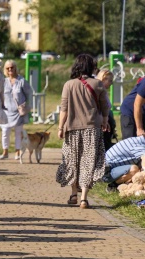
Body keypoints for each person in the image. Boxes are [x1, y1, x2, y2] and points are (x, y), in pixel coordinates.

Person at [56, 54, 110, 209]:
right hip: (92, 129)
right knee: (88, 162)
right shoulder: (98, 84)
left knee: (72, 162)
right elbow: (105, 106)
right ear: (90, 67)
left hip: (71, 129)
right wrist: (105, 120)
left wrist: (60, 127)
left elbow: (64, 109)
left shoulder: (69, 84)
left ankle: (73, 194)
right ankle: (84, 199)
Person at [0, 60, 33, 160]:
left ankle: (17, 152)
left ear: (15, 68)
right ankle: (5, 152)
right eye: (8, 68)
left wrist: (27, 105)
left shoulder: (21, 80)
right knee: (5, 131)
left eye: (12, 67)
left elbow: (29, 94)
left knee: (18, 132)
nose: (10, 69)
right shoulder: (3, 81)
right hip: (6, 111)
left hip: (18, 112)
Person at [119, 71, 145, 139]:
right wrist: (139, 128)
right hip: (130, 112)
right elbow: (137, 104)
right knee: (130, 143)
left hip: (142, 113)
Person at [96, 69, 118, 150]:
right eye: (110, 81)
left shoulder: (103, 92)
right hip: (103, 124)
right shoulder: (99, 92)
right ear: (104, 79)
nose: (111, 83)